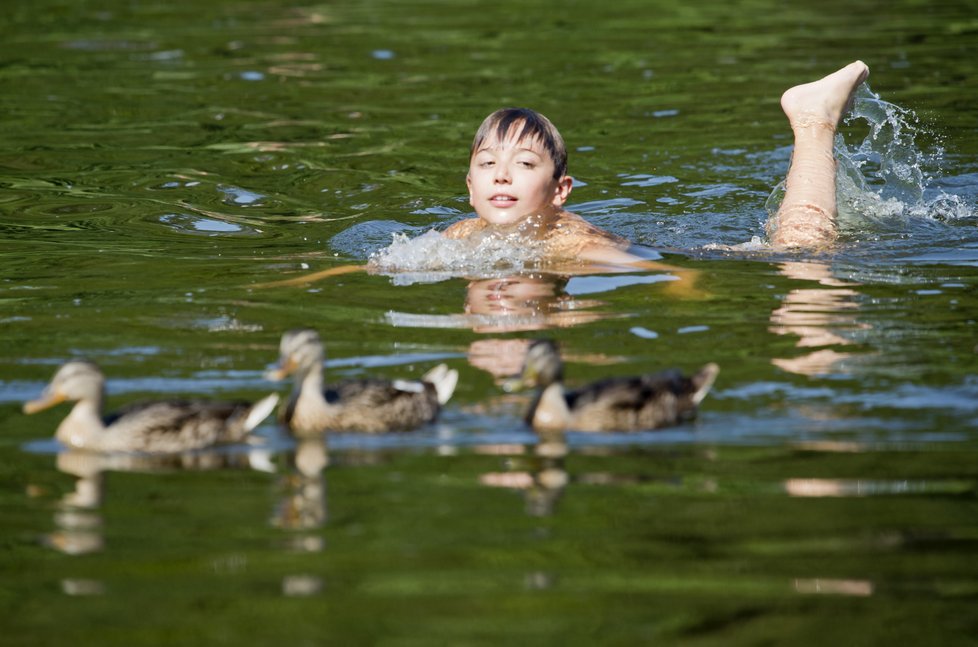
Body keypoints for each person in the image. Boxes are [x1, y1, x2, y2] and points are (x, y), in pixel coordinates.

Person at [257, 60, 870, 291]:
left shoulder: (569, 242)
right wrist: (308, 280)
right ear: (468, 186)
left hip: (694, 247)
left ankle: (811, 122)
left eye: (524, 165)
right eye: (488, 165)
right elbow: (387, 262)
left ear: (559, 190)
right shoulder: (461, 236)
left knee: (803, 256)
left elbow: (654, 268)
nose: (502, 176)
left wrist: (681, 284)